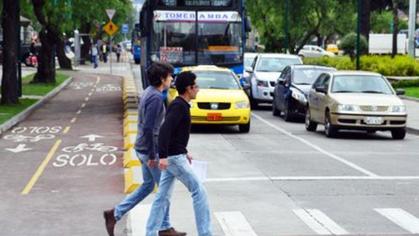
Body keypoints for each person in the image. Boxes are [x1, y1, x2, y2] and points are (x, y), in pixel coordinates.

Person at [103, 62, 186, 236]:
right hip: (149, 150)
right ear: (162, 79)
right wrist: (152, 155)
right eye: (170, 76)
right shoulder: (156, 97)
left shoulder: (150, 92)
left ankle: (115, 214)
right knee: (164, 190)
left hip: (142, 147)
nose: (172, 79)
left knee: (148, 186)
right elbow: (149, 128)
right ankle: (163, 228)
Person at [146, 71, 212, 236]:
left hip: (174, 155)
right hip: (174, 159)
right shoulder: (179, 106)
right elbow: (164, 131)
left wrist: (184, 151)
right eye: (196, 86)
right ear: (188, 89)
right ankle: (205, 233)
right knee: (199, 192)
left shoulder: (180, 105)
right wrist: (162, 156)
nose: (198, 89)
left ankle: (150, 232)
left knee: (162, 197)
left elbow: (175, 134)